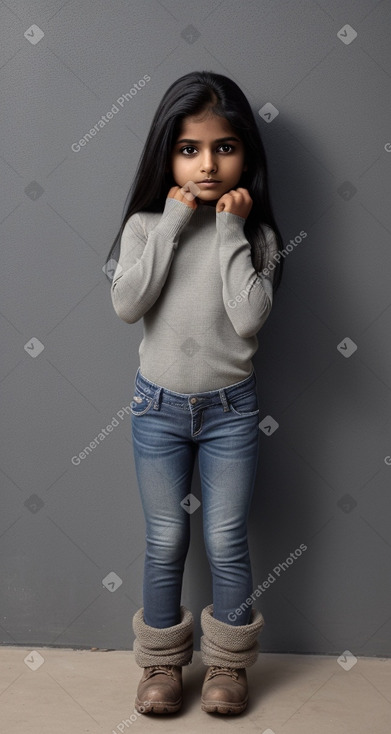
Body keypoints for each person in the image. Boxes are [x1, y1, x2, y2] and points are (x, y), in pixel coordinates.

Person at [105, 70, 284, 716]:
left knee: (226, 536)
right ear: (167, 153)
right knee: (164, 538)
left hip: (230, 412)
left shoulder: (256, 236)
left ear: (245, 155)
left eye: (223, 148)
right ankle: (160, 664)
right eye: (189, 149)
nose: (207, 164)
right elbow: (128, 303)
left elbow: (247, 319)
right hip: (156, 409)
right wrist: (175, 219)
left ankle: (228, 669)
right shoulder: (144, 226)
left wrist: (231, 233)